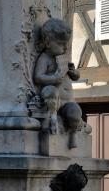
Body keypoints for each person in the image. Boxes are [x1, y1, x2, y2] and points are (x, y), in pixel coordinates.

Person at [33, 18, 83, 147]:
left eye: (66, 44)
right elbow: (38, 77)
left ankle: (73, 133)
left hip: (68, 101)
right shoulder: (45, 58)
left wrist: (74, 72)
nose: (65, 48)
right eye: (61, 44)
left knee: (75, 112)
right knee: (50, 91)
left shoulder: (63, 59)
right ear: (48, 42)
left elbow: (76, 77)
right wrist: (53, 79)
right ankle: (53, 116)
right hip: (54, 99)